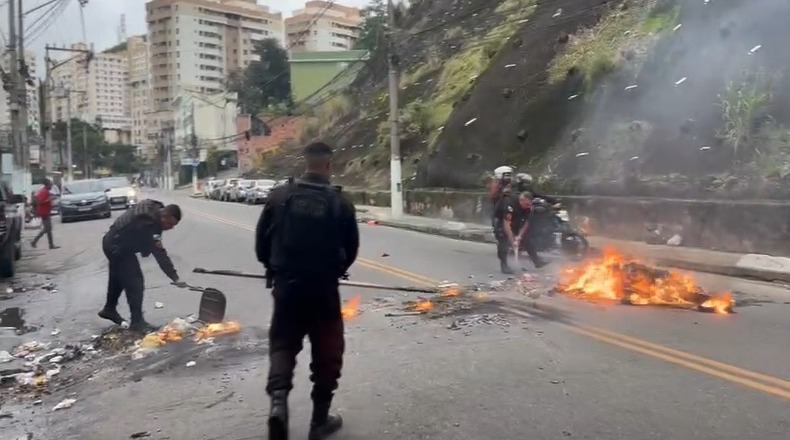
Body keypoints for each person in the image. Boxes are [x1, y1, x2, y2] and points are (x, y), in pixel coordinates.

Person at [255, 141, 359, 440]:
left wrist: (272, 268)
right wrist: (337, 269)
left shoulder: (280, 196)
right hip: (323, 290)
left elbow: (262, 242)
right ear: (329, 165)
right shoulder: (341, 203)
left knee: (283, 345)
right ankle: (319, 421)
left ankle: (278, 406)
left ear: (306, 163)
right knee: (328, 351)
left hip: (287, 288)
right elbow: (351, 248)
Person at [98, 200, 185, 333]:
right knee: (135, 281)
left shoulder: (154, 211)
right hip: (116, 247)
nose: (170, 228)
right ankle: (137, 322)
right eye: (169, 224)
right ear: (165, 216)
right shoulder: (148, 223)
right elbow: (159, 253)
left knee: (118, 278)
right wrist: (175, 278)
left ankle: (109, 309)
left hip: (113, 242)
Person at [511, 192, 547, 269]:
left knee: (527, 241)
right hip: (505, 223)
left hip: (518, 223)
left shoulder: (528, 208)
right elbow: (506, 221)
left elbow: (526, 223)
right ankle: (504, 265)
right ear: (522, 200)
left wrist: (520, 236)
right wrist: (512, 236)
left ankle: (537, 262)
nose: (528, 206)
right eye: (526, 204)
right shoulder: (512, 204)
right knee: (503, 242)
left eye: (529, 205)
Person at [493, 183, 516, 274]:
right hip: (501, 225)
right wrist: (511, 237)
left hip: (499, 224)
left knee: (503, 245)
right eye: (507, 187)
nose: (508, 190)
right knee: (504, 245)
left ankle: (503, 263)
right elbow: (505, 219)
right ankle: (504, 265)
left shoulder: (501, 199)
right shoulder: (505, 200)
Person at [30, 179, 60, 250]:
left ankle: (50, 244)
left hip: (46, 212)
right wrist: (49, 199)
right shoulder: (43, 192)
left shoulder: (45, 191)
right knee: (47, 229)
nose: (51, 187)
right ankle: (35, 241)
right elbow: (40, 201)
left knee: (48, 229)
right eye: (50, 185)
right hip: (44, 213)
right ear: (47, 185)